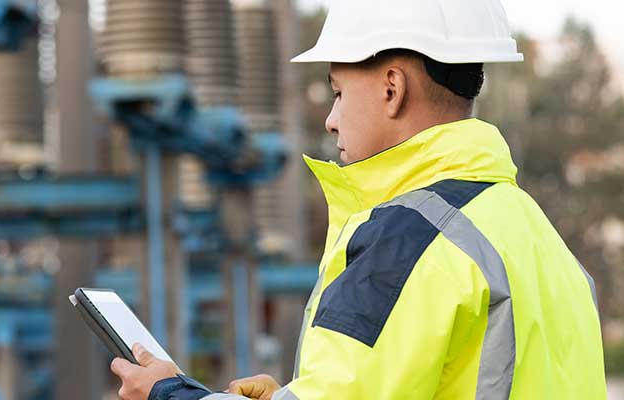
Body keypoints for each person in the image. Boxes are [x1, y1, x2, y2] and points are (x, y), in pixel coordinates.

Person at [110, 0, 607, 398]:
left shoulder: (406, 240)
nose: (331, 119)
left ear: (392, 88)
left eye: (338, 92)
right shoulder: (535, 234)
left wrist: (168, 393)